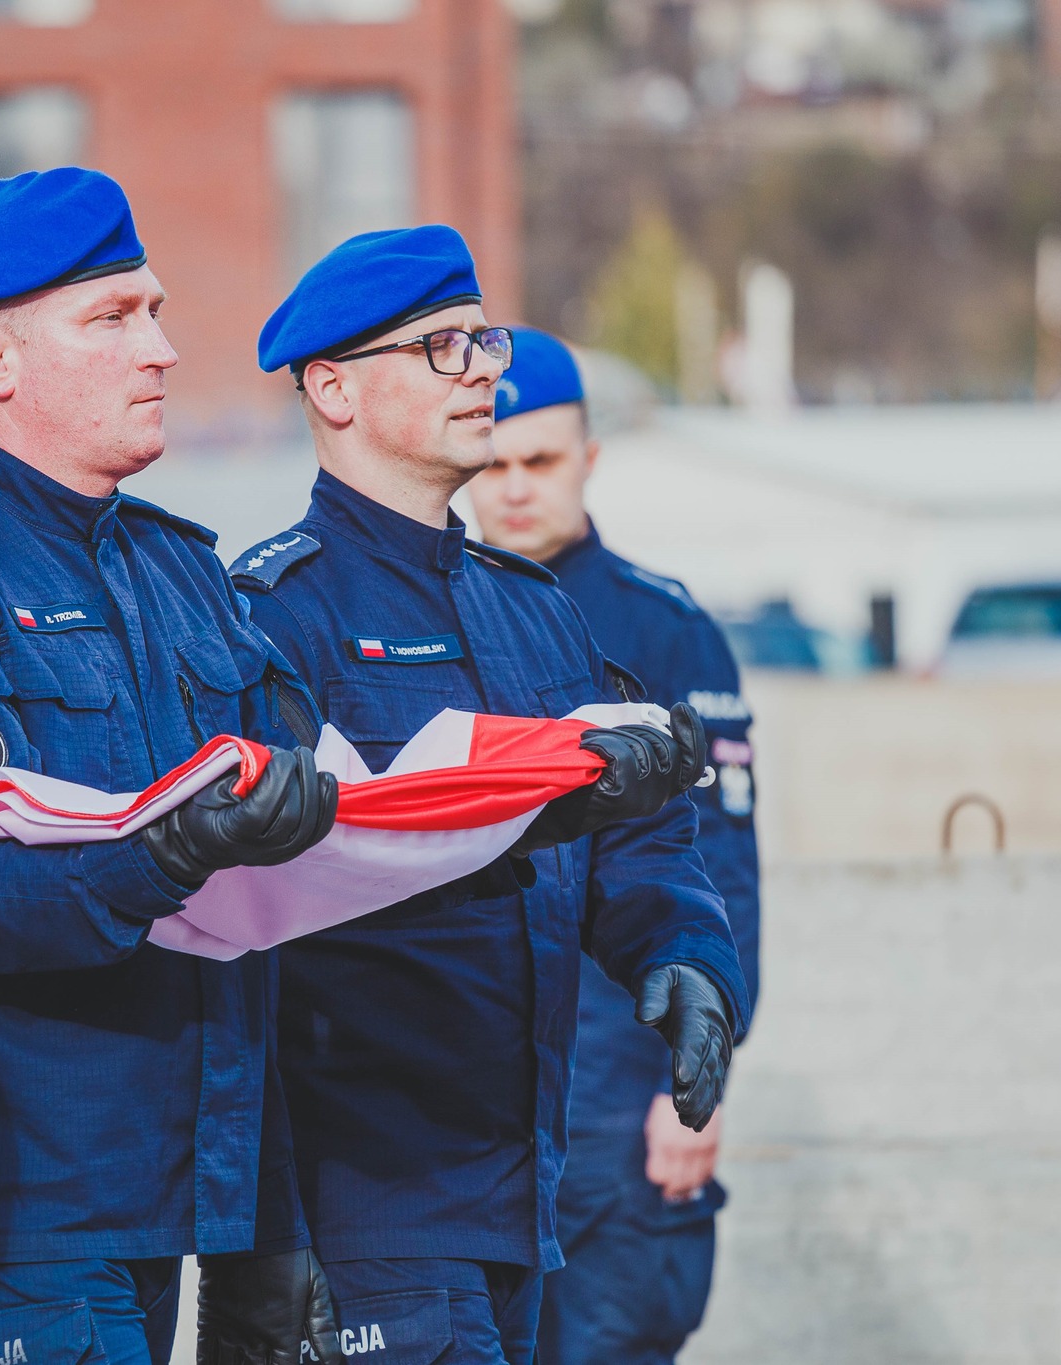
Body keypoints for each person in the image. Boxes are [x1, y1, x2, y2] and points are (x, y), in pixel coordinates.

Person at [0, 168, 348, 1365]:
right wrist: (171, 846)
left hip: (183, 1177)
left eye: (152, 311)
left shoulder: (180, 570)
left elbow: (314, 828)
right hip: (12, 1194)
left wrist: (526, 798)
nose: (160, 349)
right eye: (111, 319)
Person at [229, 227, 749, 1365]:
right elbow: (233, 912)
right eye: (441, 348)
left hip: (521, 1198)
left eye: (482, 340)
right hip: (360, 1204)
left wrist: (682, 952)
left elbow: (635, 831)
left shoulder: (528, 606)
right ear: (334, 390)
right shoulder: (273, 618)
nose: (482, 371)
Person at [470, 327, 761, 1365]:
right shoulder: (429, 623)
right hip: (465, 1105)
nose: (511, 489)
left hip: (615, 1094)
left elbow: (721, 880)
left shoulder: (664, 631)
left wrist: (695, 1090)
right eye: (490, 464)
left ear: (587, 458)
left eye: (537, 462)